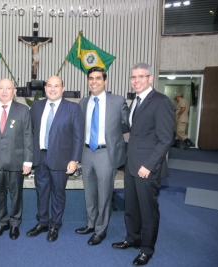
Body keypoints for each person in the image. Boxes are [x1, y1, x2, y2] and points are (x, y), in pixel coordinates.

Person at [112, 63, 174, 266]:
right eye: (133, 77)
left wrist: (148, 165)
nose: (136, 80)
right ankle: (132, 238)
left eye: (140, 76)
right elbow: (133, 129)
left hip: (147, 167)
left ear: (150, 78)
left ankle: (146, 249)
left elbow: (165, 139)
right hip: (131, 164)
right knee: (131, 206)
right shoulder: (136, 101)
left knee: (148, 210)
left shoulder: (160, 101)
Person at [26, 76, 84, 242]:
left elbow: (78, 136)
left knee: (58, 193)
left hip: (61, 158)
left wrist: (75, 159)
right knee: (41, 191)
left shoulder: (73, 108)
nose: (52, 89)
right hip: (40, 156)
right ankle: (42, 222)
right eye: (49, 86)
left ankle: (54, 225)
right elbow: (28, 132)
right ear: (45, 89)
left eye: (56, 86)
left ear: (63, 88)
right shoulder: (36, 106)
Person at [76, 67, 129, 245]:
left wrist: (112, 134)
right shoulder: (83, 102)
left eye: (98, 78)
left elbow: (128, 124)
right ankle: (91, 224)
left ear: (105, 81)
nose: (94, 82)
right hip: (86, 152)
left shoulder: (118, 100)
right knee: (89, 192)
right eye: (91, 78)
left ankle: (101, 230)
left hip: (106, 152)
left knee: (104, 194)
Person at [0, 78, 33, 240]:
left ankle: (14, 224)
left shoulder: (23, 110)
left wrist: (28, 160)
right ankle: (1, 222)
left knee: (16, 194)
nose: (4, 91)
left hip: (16, 160)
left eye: (8, 88)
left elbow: (28, 136)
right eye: (1, 88)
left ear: (14, 91)